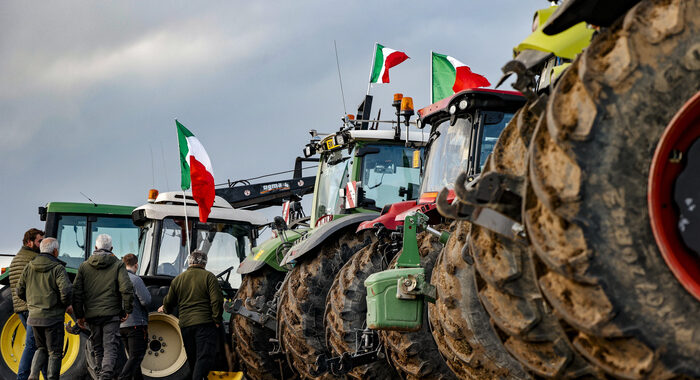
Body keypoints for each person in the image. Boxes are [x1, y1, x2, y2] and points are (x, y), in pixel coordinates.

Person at [73, 234, 133, 380]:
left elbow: (76, 293)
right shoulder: (118, 265)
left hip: (92, 315)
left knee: (97, 346)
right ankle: (105, 376)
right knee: (110, 347)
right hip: (111, 314)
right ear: (111, 249)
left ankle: (100, 374)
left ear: (95, 248)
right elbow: (126, 288)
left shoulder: (84, 266)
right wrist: (127, 309)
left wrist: (79, 315)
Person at [158, 250, 223, 380]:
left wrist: (165, 309)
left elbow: (169, 301)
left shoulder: (178, 279)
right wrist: (216, 319)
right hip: (204, 324)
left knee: (193, 359)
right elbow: (217, 300)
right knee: (204, 358)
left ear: (189, 262)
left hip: (185, 325)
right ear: (204, 263)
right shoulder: (209, 277)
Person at [17, 238, 72, 380]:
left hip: (34, 318)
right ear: (55, 251)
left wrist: (33, 305)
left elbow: (19, 291)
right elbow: (66, 291)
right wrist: (64, 305)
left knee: (41, 348)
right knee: (54, 352)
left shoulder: (29, 266)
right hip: (52, 318)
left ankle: (33, 374)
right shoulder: (57, 268)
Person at [9, 228, 45, 380]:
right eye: (39, 241)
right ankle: (21, 377)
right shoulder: (33, 259)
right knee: (32, 346)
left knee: (39, 345)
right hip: (32, 308)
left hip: (21, 308)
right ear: (29, 242)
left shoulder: (17, 258)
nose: (41, 244)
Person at [119, 253, 151, 380]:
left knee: (132, 357)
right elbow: (146, 301)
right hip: (136, 324)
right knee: (136, 356)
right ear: (136, 265)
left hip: (121, 325)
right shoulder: (135, 279)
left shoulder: (117, 279)